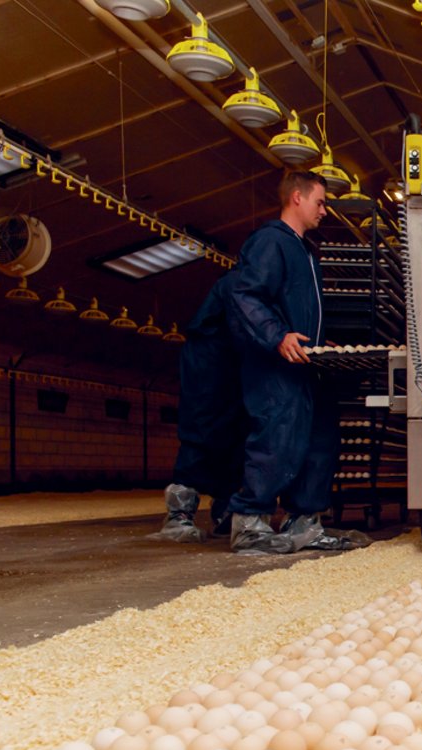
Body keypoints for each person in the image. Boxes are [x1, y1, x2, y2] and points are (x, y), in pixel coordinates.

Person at [223, 170, 359, 554]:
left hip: (306, 365)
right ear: (297, 198)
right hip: (275, 369)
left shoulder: (305, 249)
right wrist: (276, 335)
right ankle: (250, 523)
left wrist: (319, 342)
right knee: (275, 440)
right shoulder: (270, 242)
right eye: (320, 202)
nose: (325, 210)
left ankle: (304, 522)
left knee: (319, 440)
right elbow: (245, 296)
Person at [153, 270, 247, 543]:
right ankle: (179, 515)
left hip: (231, 368)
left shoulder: (249, 282)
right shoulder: (237, 283)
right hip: (209, 367)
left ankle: (224, 510)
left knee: (234, 435)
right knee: (201, 433)